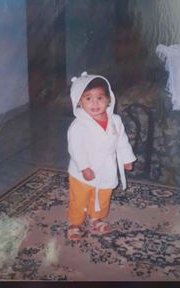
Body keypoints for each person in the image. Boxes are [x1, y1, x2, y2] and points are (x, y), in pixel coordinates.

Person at [67, 71, 136, 241]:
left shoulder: (115, 121)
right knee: (80, 198)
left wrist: (127, 159)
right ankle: (74, 224)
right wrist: (84, 167)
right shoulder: (78, 126)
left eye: (100, 98)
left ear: (109, 99)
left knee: (103, 195)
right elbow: (76, 149)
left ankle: (95, 218)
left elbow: (121, 141)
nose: (95, 103)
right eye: (88, 98)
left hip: (107, 168)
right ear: (79, 102)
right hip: (83, 172)